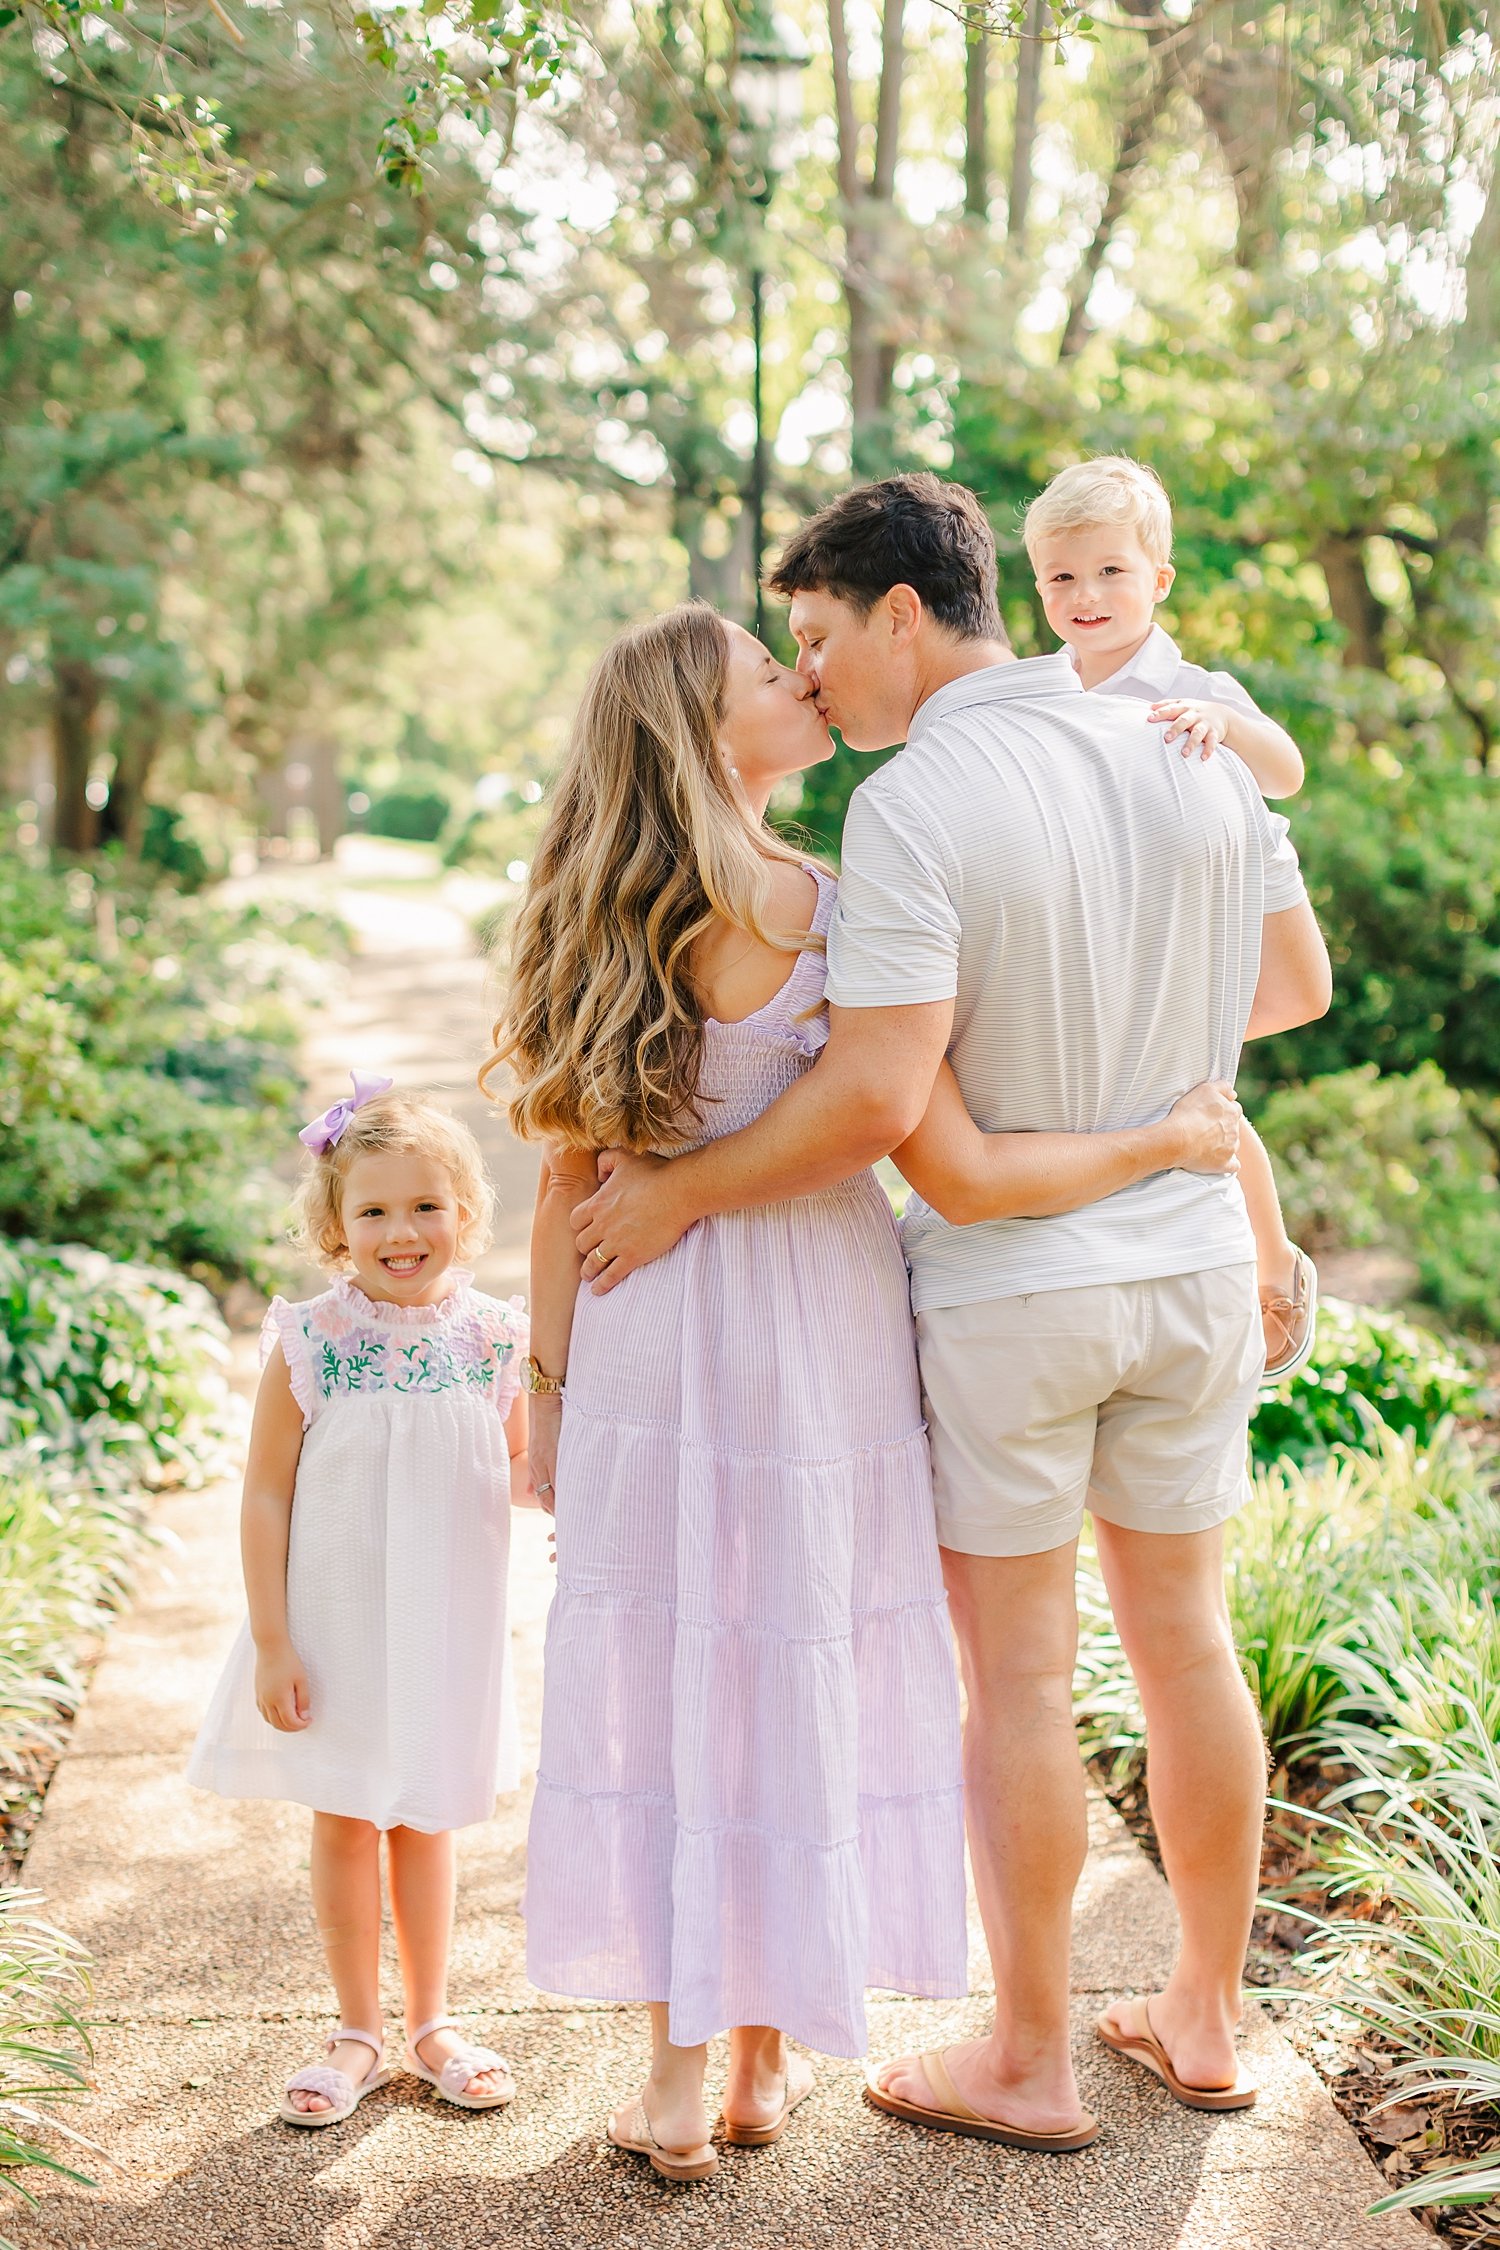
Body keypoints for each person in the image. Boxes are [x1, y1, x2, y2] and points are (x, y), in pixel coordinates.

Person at [567, 475, 1332, 2146]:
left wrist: (686, 1189)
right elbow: (1291, 992)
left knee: (1028, 1682)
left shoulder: (918, 806)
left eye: (820, 635)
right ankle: (1203, 2019)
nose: (815, 672)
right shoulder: (1181, 736)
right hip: (1193, 1261)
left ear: (901, 611)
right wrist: (1143, 1047)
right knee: (1187, 1637)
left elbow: (878, 1101)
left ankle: (1033, 2058)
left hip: (1020, 1300)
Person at [187, 1079, 530, 2127]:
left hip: (441, 1626)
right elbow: (265, 1491)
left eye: (424, 1205)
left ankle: (430, 2023)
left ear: (464, 1211)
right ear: (335, 1226)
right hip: (334, 1626)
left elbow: (520, 1469)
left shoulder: (496, 1340)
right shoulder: (312, 1340)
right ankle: (356, 2028)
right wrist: (275, 1639)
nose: (402, 1231)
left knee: (424, 1819)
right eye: (374, 1210)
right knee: (345, 1818)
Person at [1024, 454, 1316, 1381]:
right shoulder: (1040, 693)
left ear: (1160, 578)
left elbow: (1288, 773)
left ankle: (1275, 1262)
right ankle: (1229, 1257)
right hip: (1125, 923)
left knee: (1203, 1082)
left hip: (1227, 898)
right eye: (1062, 577)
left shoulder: (1190, 686)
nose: (1087, 594)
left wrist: (1224, 725)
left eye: (1111, 571)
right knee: (1169, 1088)